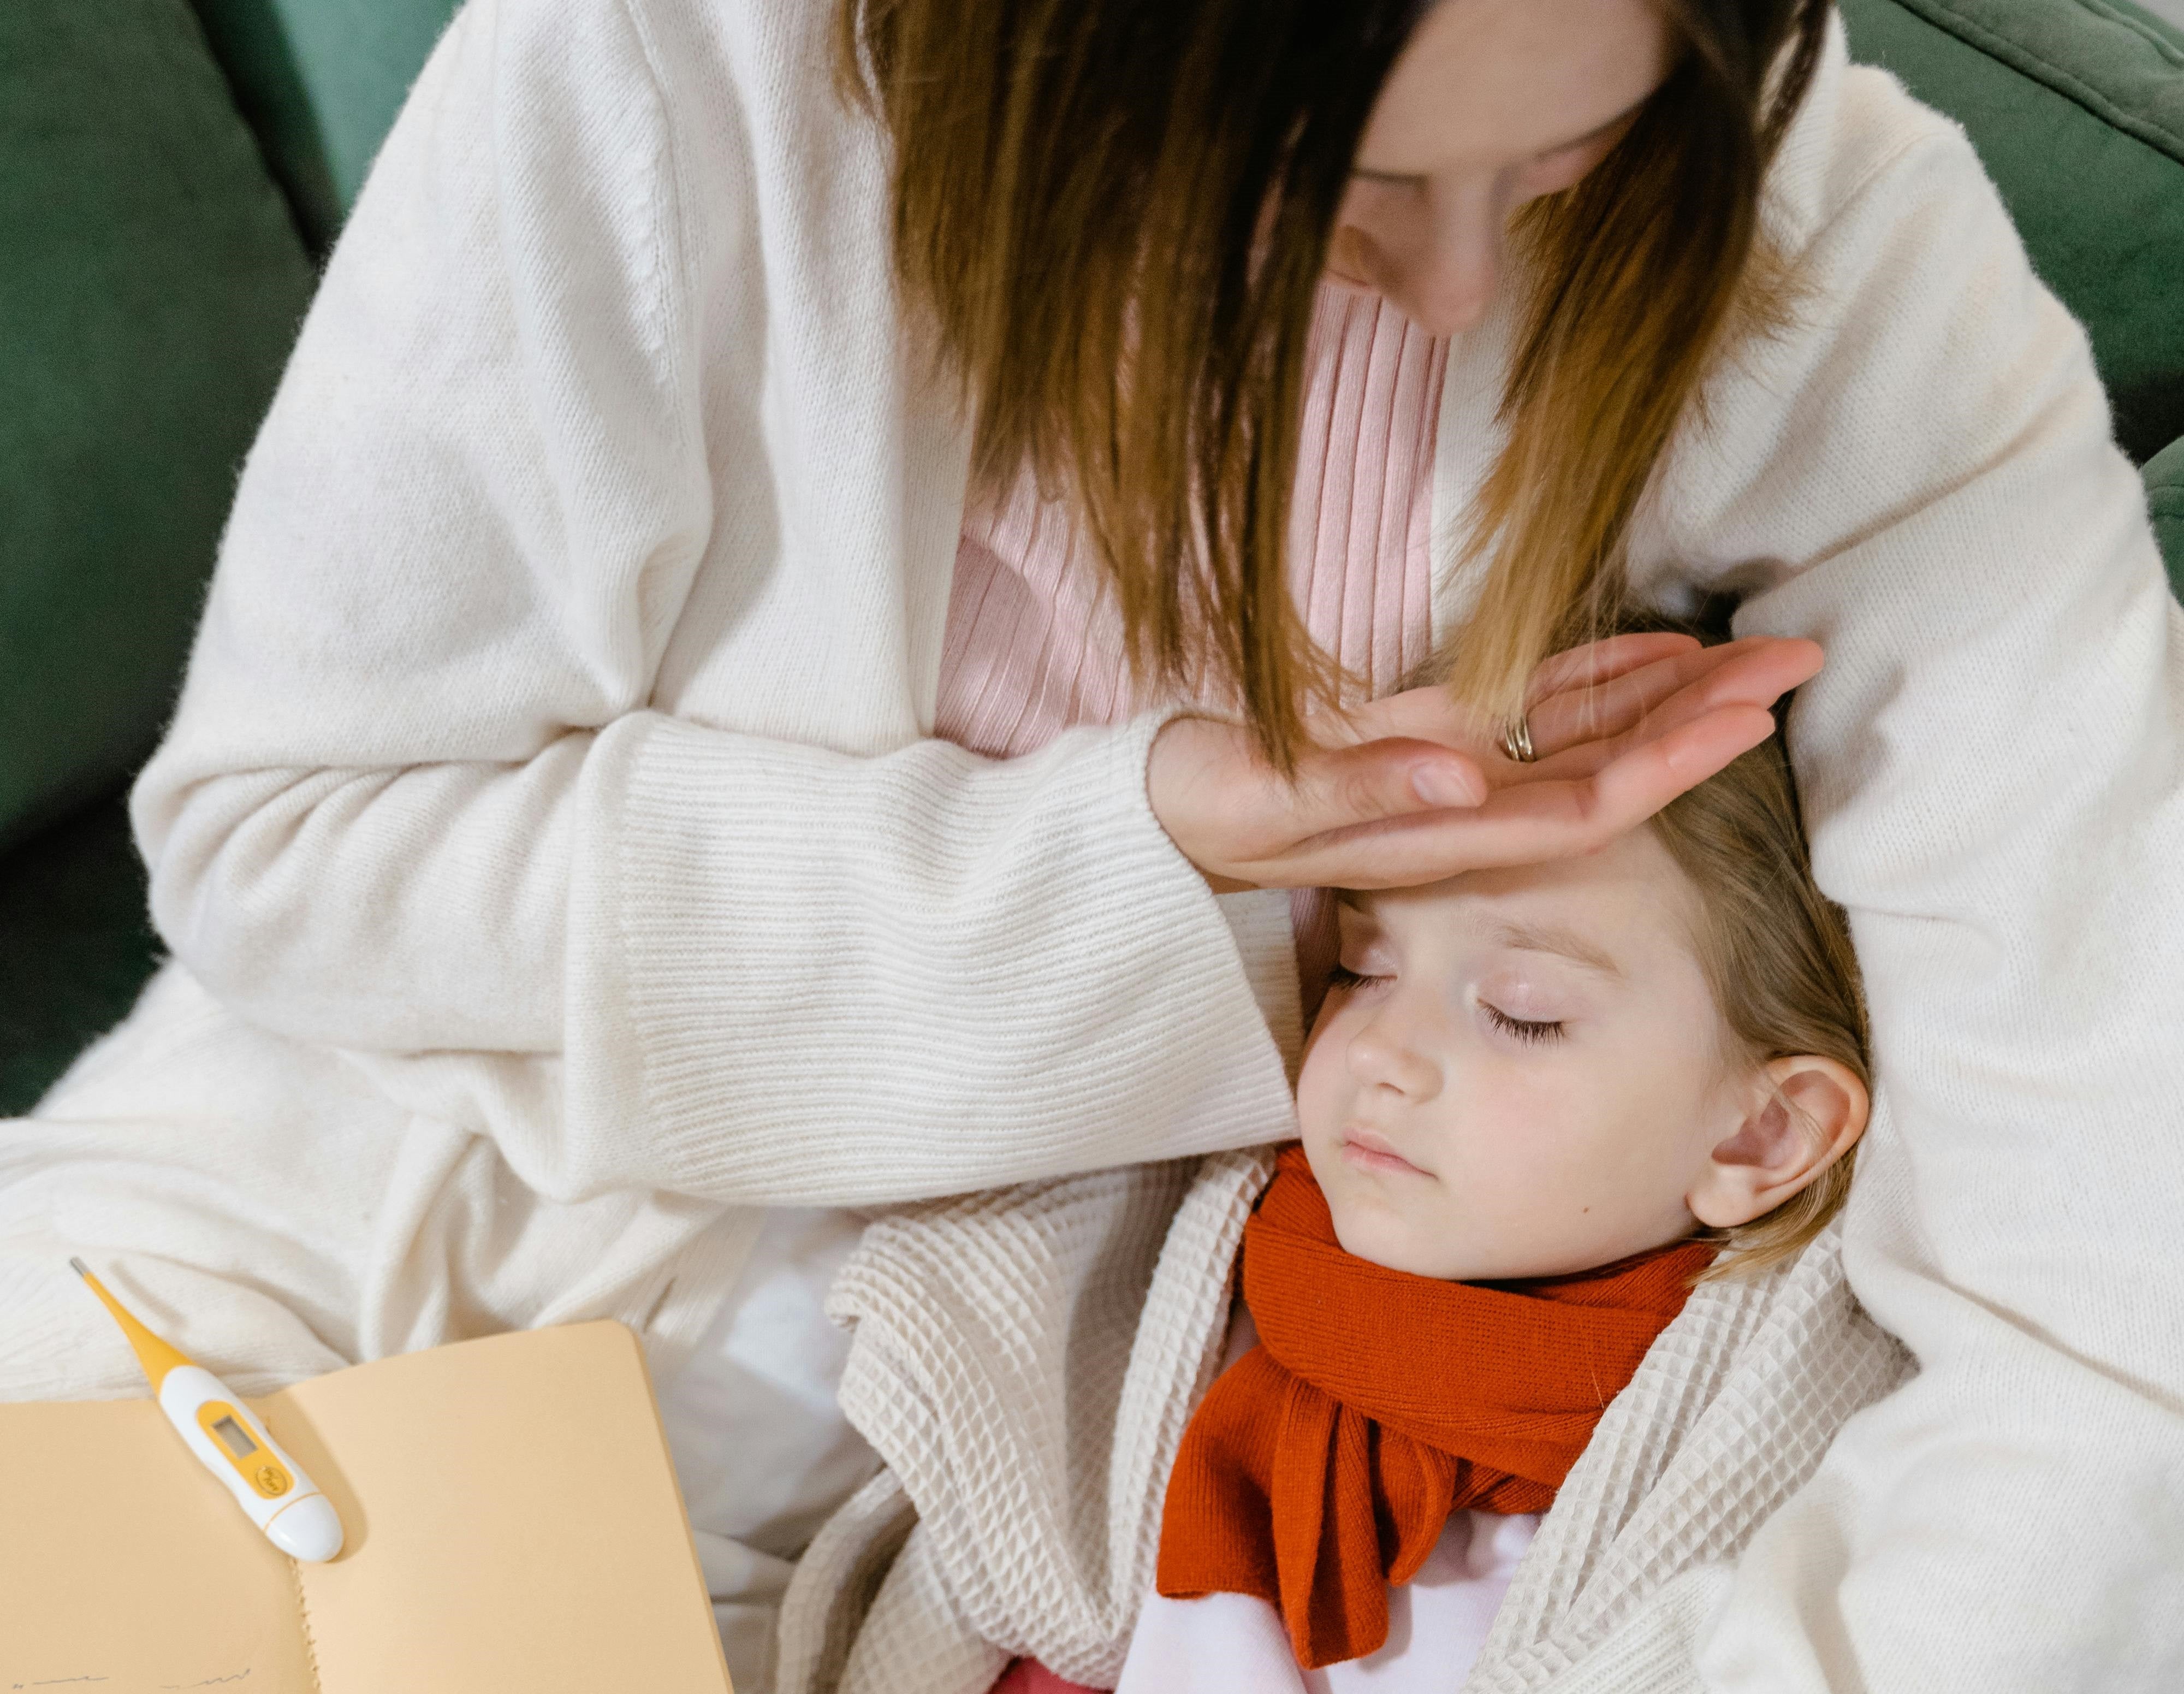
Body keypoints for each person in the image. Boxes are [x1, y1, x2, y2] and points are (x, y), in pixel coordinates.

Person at [0, 0, 2173, 1687]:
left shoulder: (1842, 245)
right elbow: (296, 844)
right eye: (1341, 189)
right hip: (321, 1249)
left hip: (971, 1444)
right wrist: (1157, 850)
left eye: (1580, 165)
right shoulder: (678, 70)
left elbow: (2104, 1249)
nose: (1451, 286)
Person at [1114, 702, 1874, 1691]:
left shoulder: (1803, 1464)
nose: (1381, 1051)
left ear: (1761, 1133)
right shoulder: (1244, 1353)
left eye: (1522, 1015)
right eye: (1362, 967)